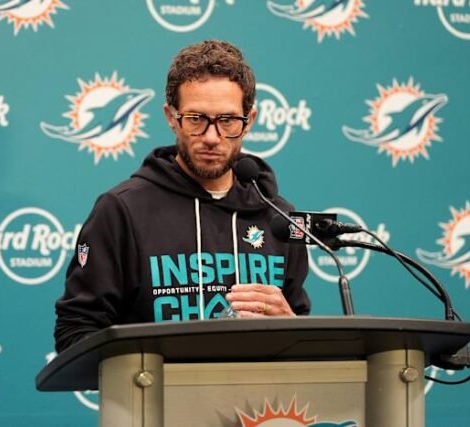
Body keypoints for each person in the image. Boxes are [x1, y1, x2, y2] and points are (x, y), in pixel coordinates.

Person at [54, 40, 310, 353]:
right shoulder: (122, 210)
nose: (212, 137)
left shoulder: (279, 218)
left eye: (227, 121)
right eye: (196, 119)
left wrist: (292, 326)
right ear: (171, 117)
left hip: (257, 387)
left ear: (249, 121)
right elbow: (76, 331)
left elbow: (301, 344)